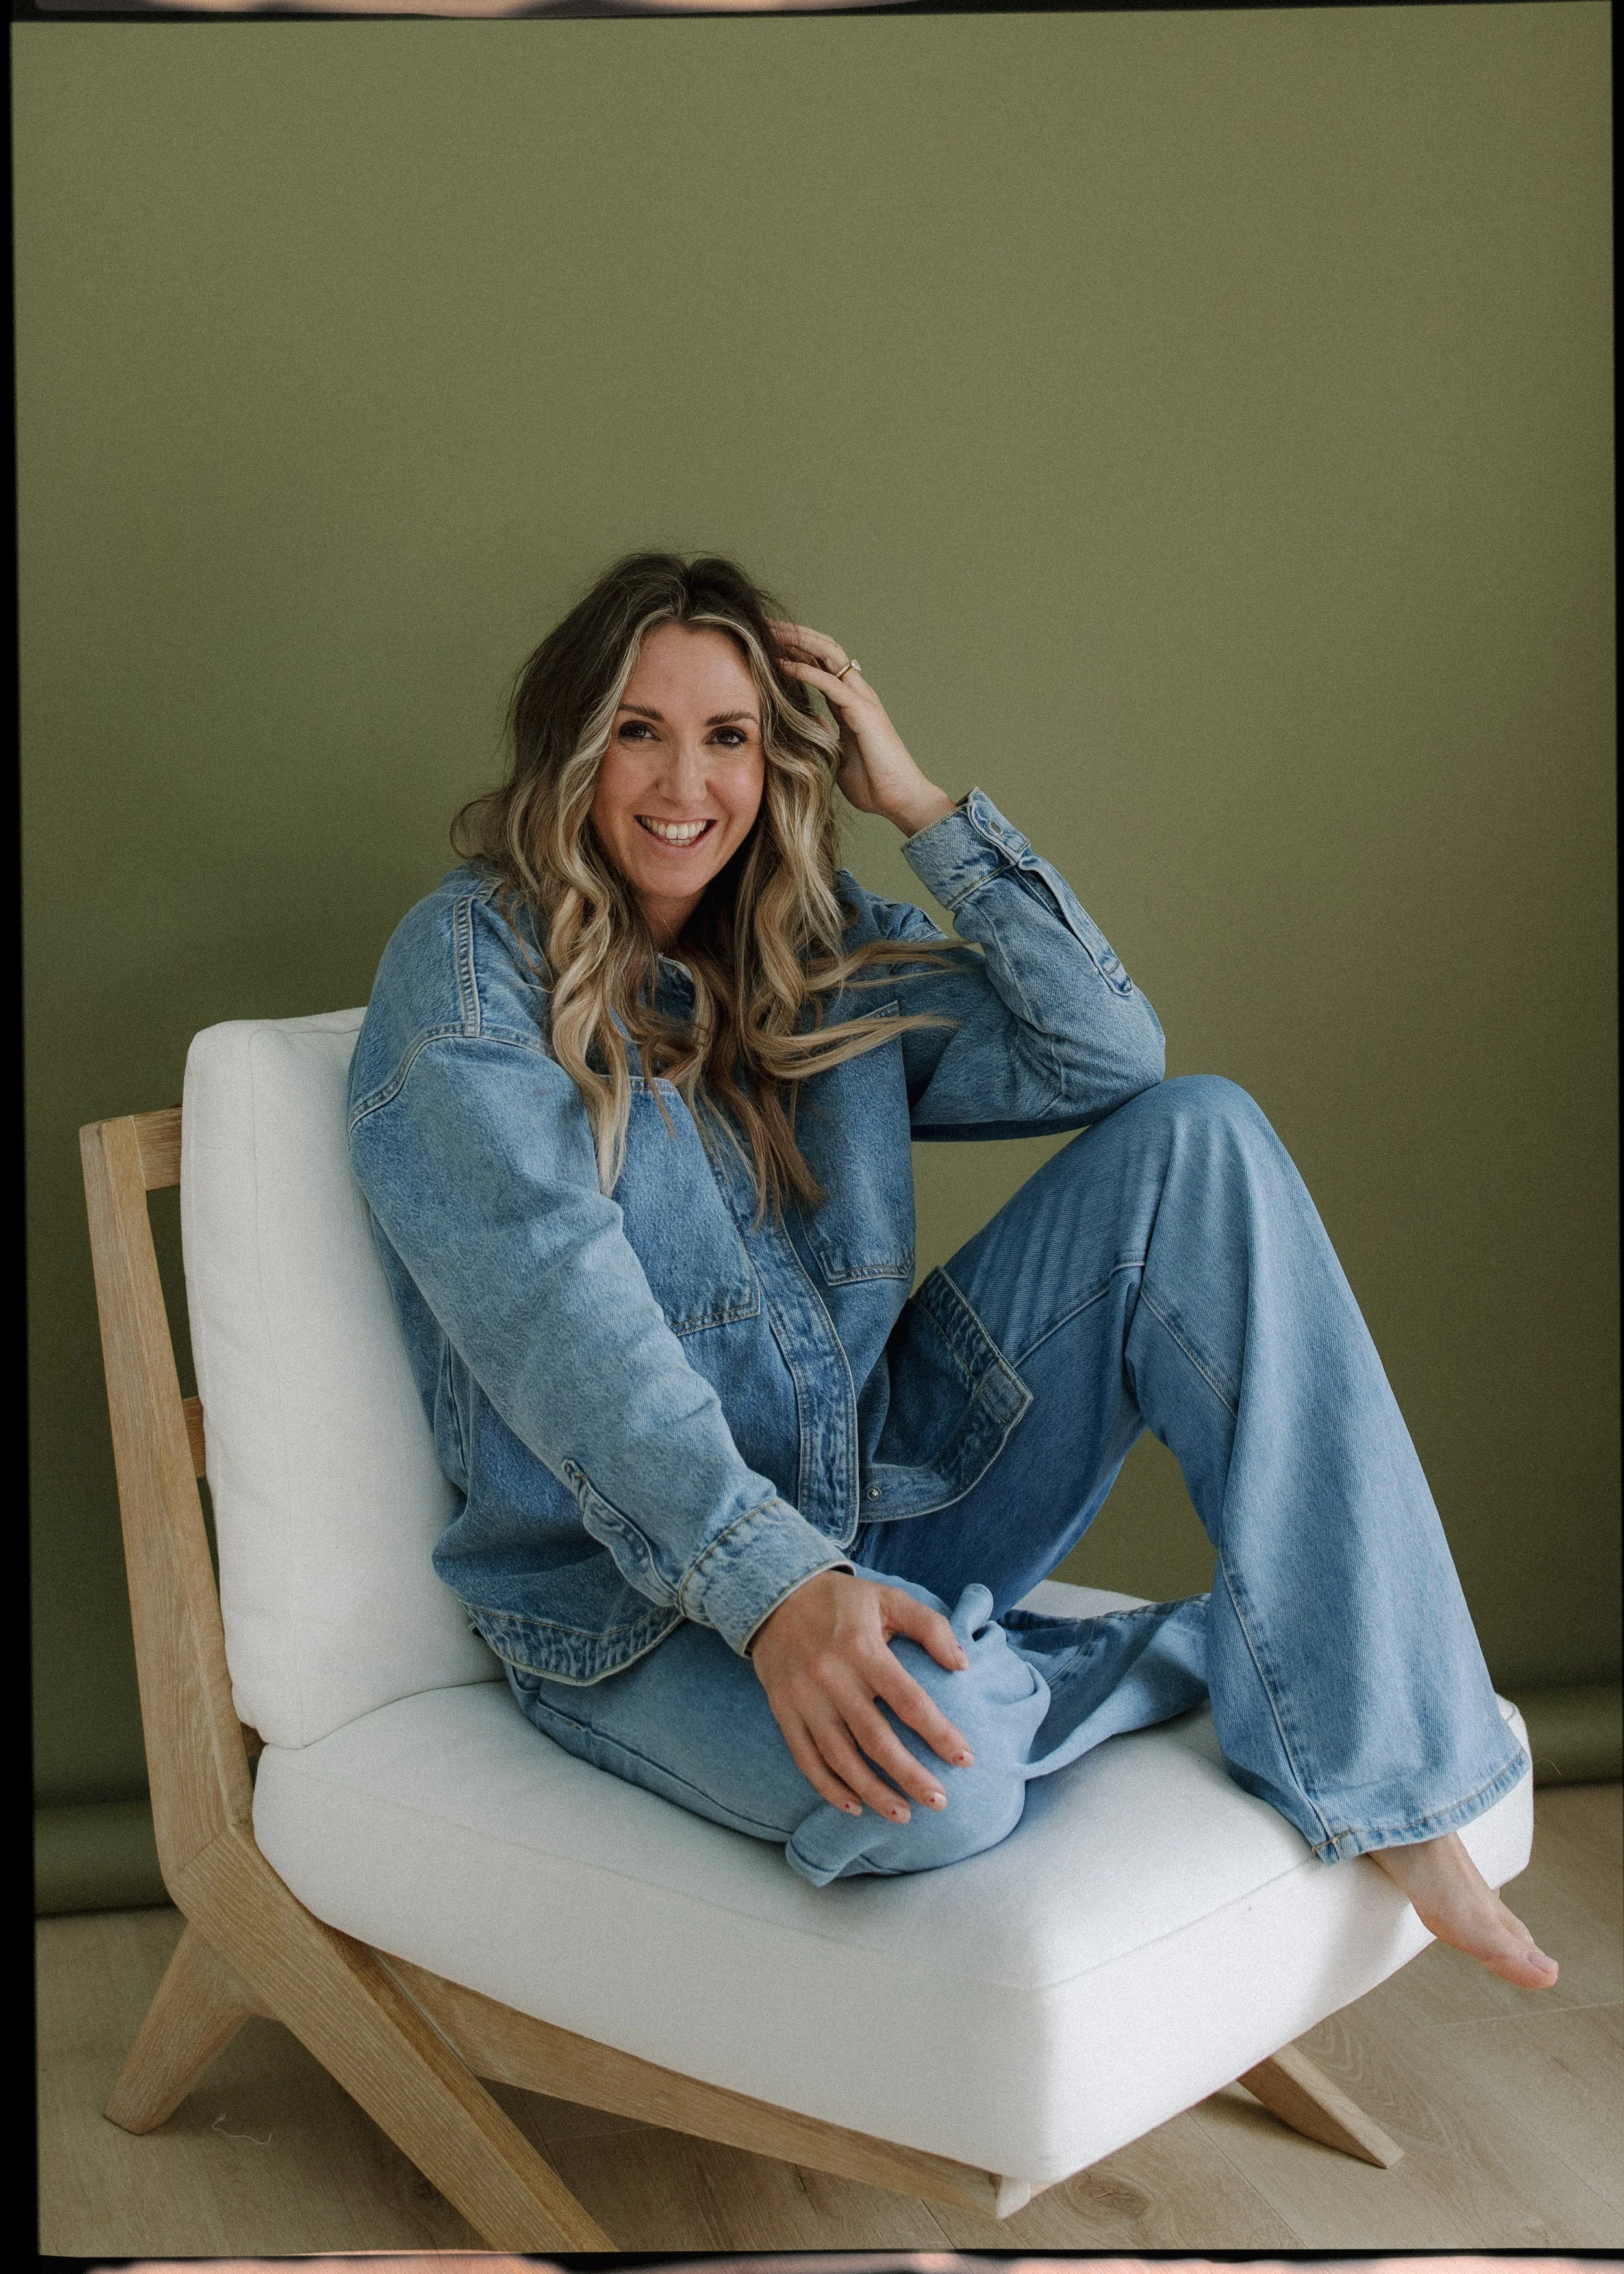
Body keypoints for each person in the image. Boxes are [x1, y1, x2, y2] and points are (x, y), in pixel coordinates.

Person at [347, 550, 1556, 1987]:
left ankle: (1382, 1764)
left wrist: (916, 805)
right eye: (637, 729)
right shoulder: (468, 976)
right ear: (570, 747)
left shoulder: (811, 951)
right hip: (633, 1604)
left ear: (777, 756)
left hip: (880, 1499)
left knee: (1200, 1139)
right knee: (954, 1768)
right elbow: (568, 1335)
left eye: (728, 735)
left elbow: (1105, 1057)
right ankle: (1218, 1649)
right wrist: (778, 1595)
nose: (686, 783)